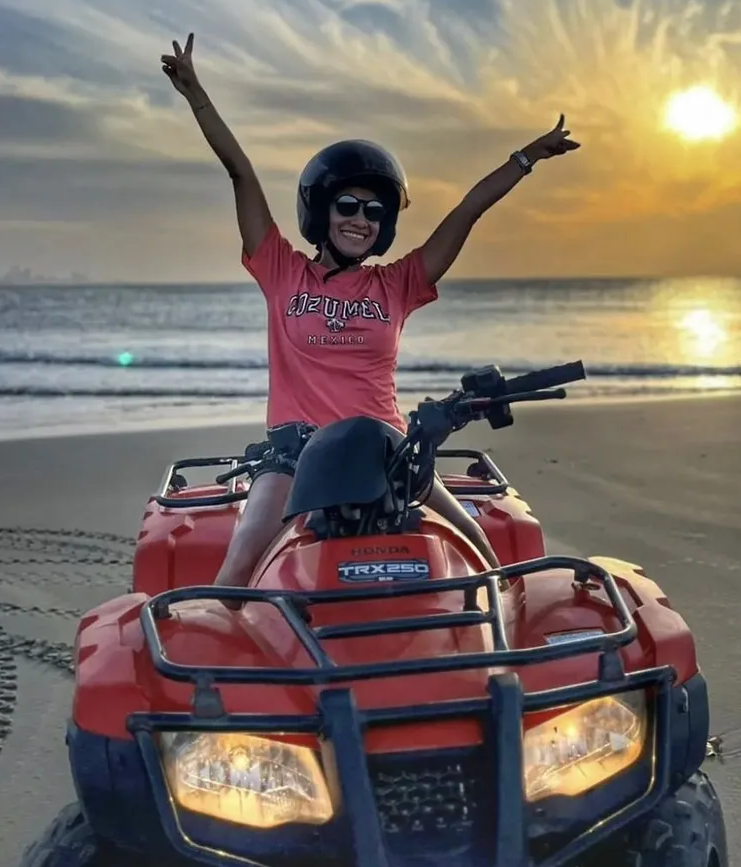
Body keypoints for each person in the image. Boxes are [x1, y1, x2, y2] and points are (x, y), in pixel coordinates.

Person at [160, 33, 580, 588]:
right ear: (322, 212)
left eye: (374, 212)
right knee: (235, 574)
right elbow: (241, 172)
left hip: (388, 450)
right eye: (348, 206)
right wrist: (197, 96)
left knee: (486, 560)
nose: (360, 219)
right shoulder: (282, 269)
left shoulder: (398, 283)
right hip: (296, 454)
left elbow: (466, 212)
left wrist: (526, 158)